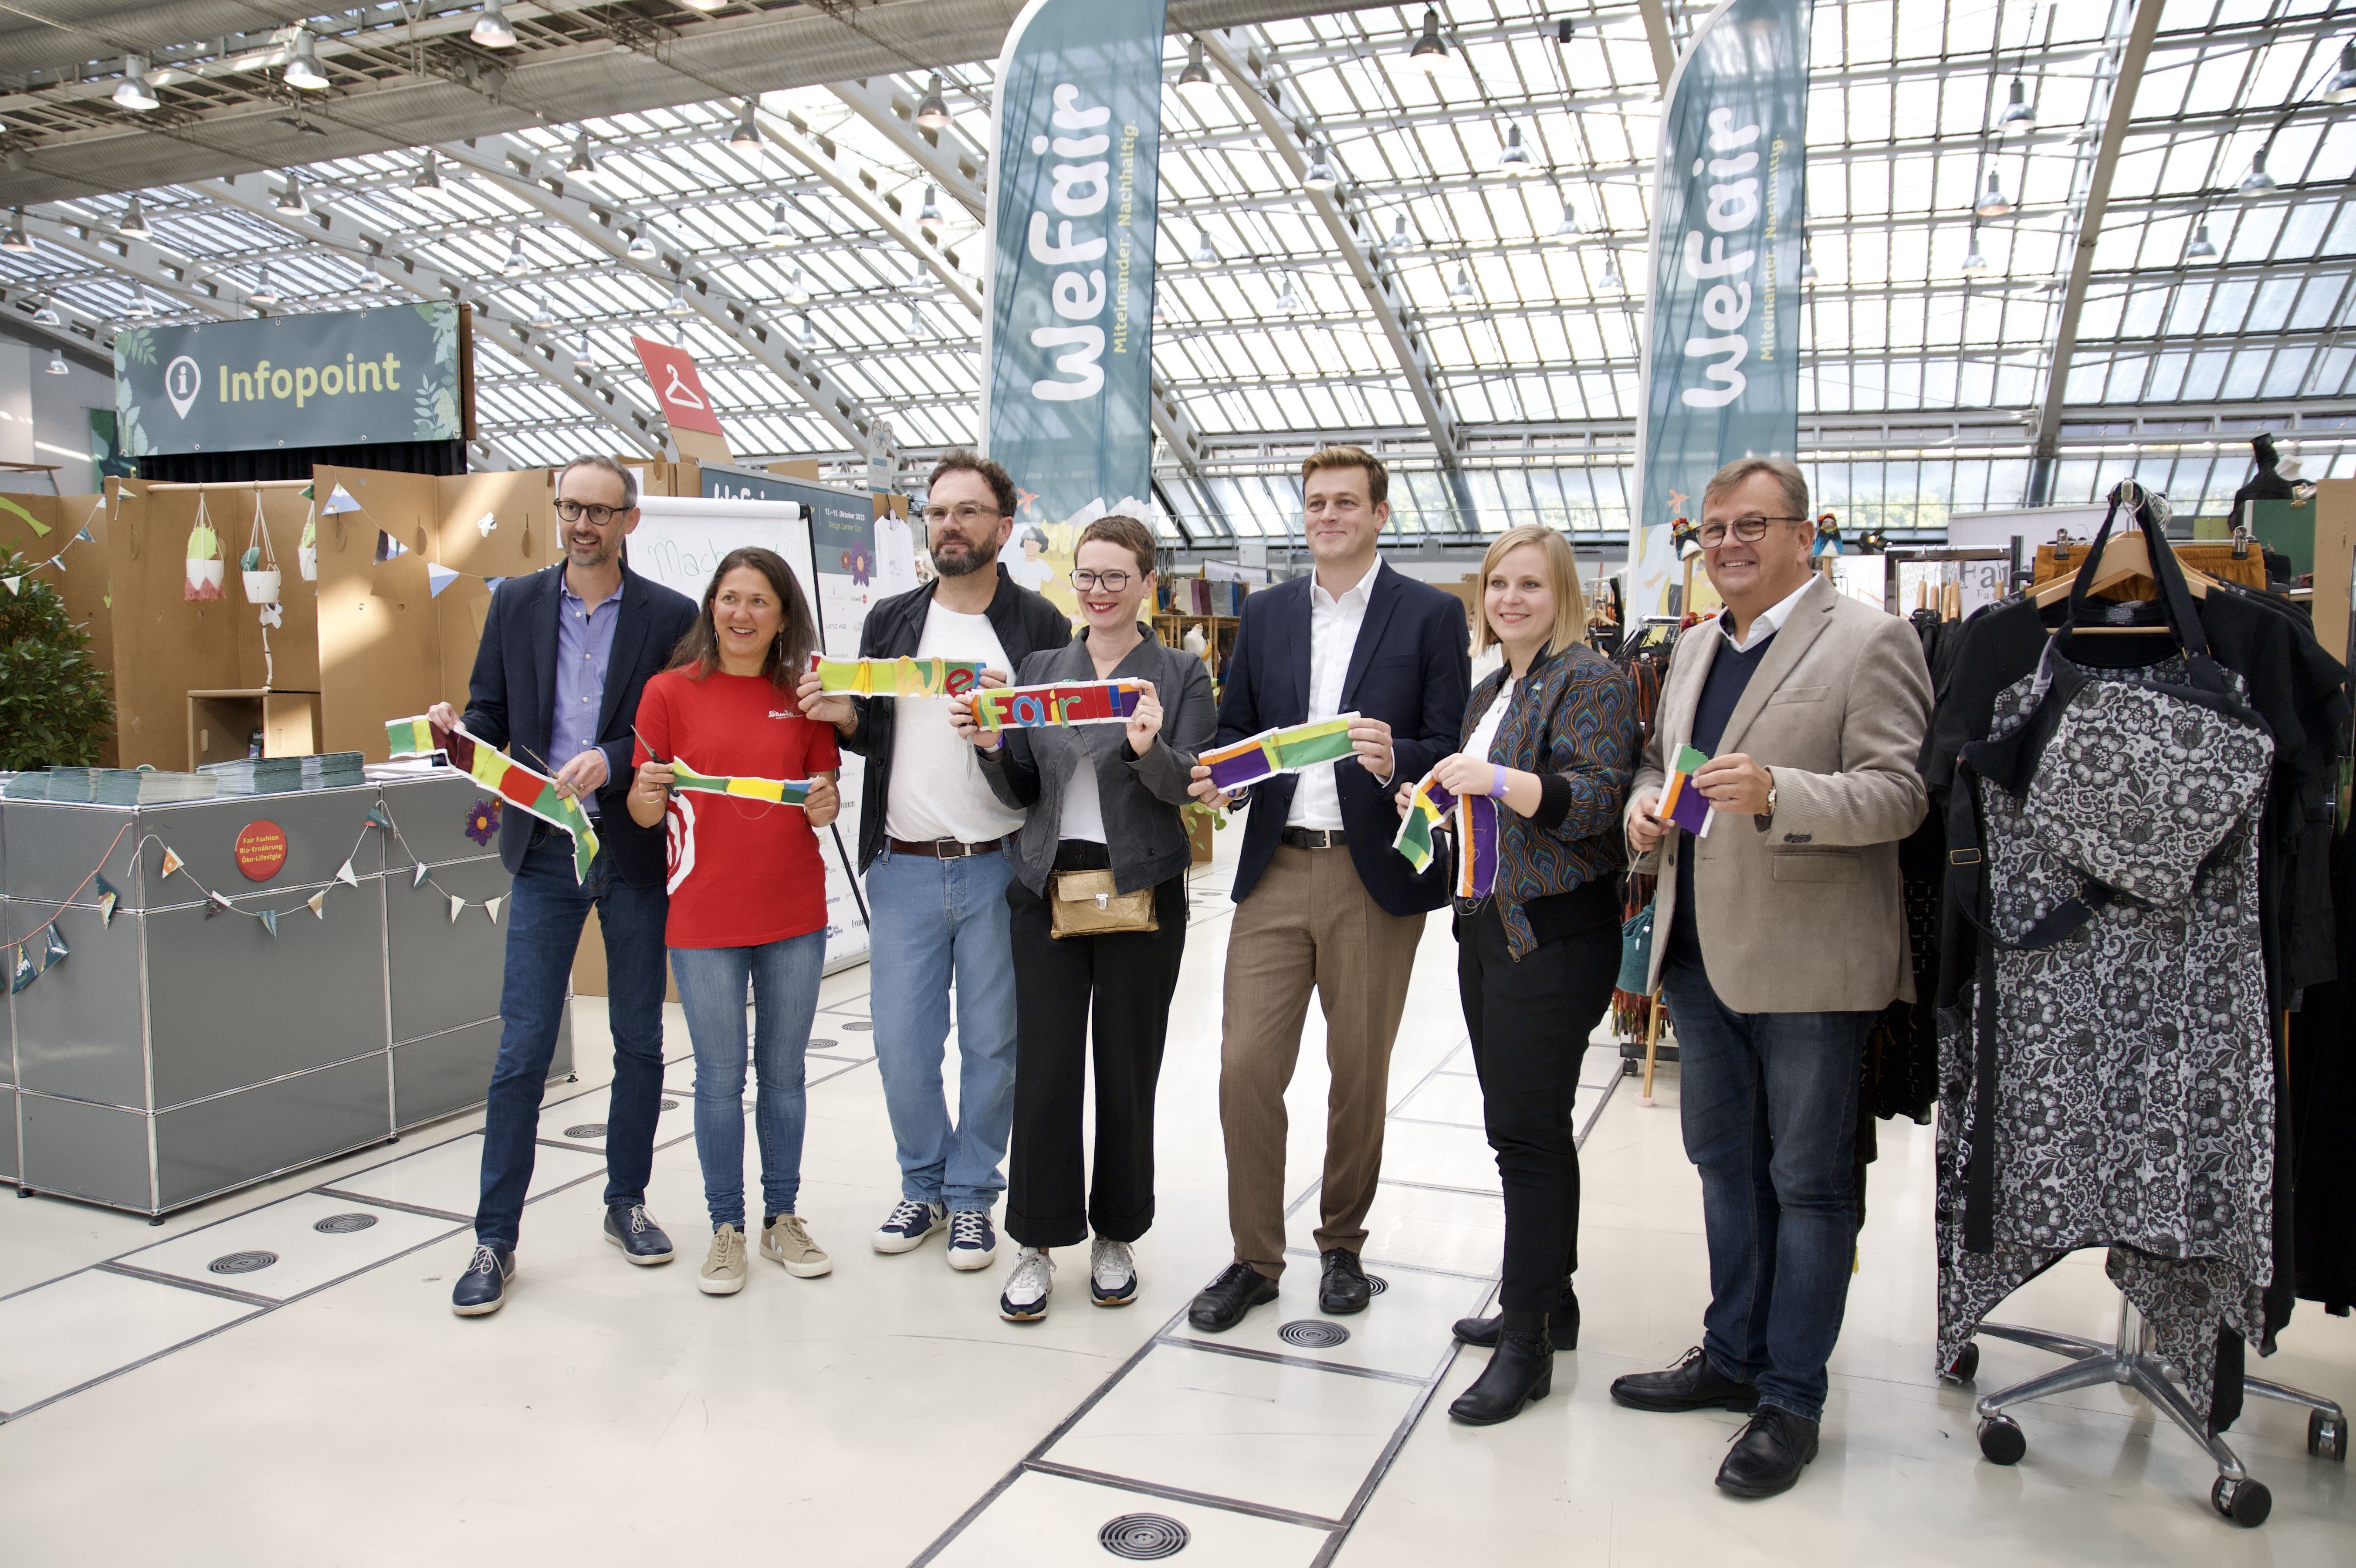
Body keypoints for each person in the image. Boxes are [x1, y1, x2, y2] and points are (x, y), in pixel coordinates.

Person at [1614, 457, 1931, 1497]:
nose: (1728, 544)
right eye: (1713, 529)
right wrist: (1645, 801)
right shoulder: (1696, 645)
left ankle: (1791, 1397)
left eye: (1751, 525)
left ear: (1806, 535)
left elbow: (1899, 794)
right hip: (1699, 954)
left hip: (1810, 964)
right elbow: (1664, 762)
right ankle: (1732, 1354)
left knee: (1807, 1183)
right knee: (1723, 1166)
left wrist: (1779, 792)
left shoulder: (1870, 641)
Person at [1184, 446, 1471, 1332]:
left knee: (1359, 1071)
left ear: (1380, 514)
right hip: (1276, 866)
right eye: (1316, 503)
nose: (1329, 516)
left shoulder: (1429, 615)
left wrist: (1398, 758)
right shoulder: (1267, 613)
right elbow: (1236, 729)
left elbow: (1449, 744)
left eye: (1347, 502)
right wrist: (1224, 780)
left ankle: (1342, 1242)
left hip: (1371, 870)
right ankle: (1254, 1258)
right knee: (1245, 1066)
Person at [795, 451, 1070, 1271]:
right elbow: (876, 731)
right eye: (939, 511)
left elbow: (1051, 754)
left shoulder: (1039, 626)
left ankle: (973, 1194)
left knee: (992, 1046)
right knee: (902, 1046)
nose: (950, 525)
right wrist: (845, 717)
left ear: (1003, 528)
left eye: (968, 512)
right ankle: (922, 1183)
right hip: (905, 865)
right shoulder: (892, 619)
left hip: (1000, 865)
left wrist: (1004, 728)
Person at [442, 454, 700, 1317]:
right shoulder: (515, 602)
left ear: (630, 520)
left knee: (639, 1042)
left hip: (629, 851)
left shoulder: (671, 616)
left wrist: (616, 760)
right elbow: (489, 712)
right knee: (522, 1050)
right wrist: (458, 734)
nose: (582, 524)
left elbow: (677, 736)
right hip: (545, 852)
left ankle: (626, 1202)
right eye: (570, 507)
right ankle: (494, 1238)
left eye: (600, 510)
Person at [1392, 526, 1634, 1425]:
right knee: (1519, 1130)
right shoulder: (1492, 689)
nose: (1511, 600)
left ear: (1562, 593)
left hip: (1553, 936)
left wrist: (1494, 780)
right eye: (1498, 584)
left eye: (1530, 585)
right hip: (1487, 929)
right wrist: (1434, 804)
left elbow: (1595, 802)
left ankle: (1527, 1343)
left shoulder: (1593, 679)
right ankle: (1549, 1301)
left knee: (1527, 1135)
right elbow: (1483, 814)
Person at [948, 515, 1214, 1321]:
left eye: (1116, 577)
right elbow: (1023, 790)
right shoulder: (1041, 669)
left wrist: (1147, 749)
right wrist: (990, 745)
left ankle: (1116, 1234)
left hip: (1141, 889)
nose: (1099, 591)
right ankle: (1035, 1241)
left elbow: (1190, 789)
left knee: (1127, 1069)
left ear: (1148, 583)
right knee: (1046, 1070)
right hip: (1048, 888)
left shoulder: (1179, 674)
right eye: (1088, 576)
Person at [630, 549, 842, 1295]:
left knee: (784, 1075)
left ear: (783, 618)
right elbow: (644, 813)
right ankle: (727, 1227)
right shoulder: (666, 692)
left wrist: (826, 802)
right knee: (719, 1079)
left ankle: (782, 1217)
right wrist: (647, 793)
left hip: (792, 910)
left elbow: (823, 799)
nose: (742, 614)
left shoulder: (804, 698)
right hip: (703, 913)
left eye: (759, 602)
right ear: (711, 607)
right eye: (730, 598)